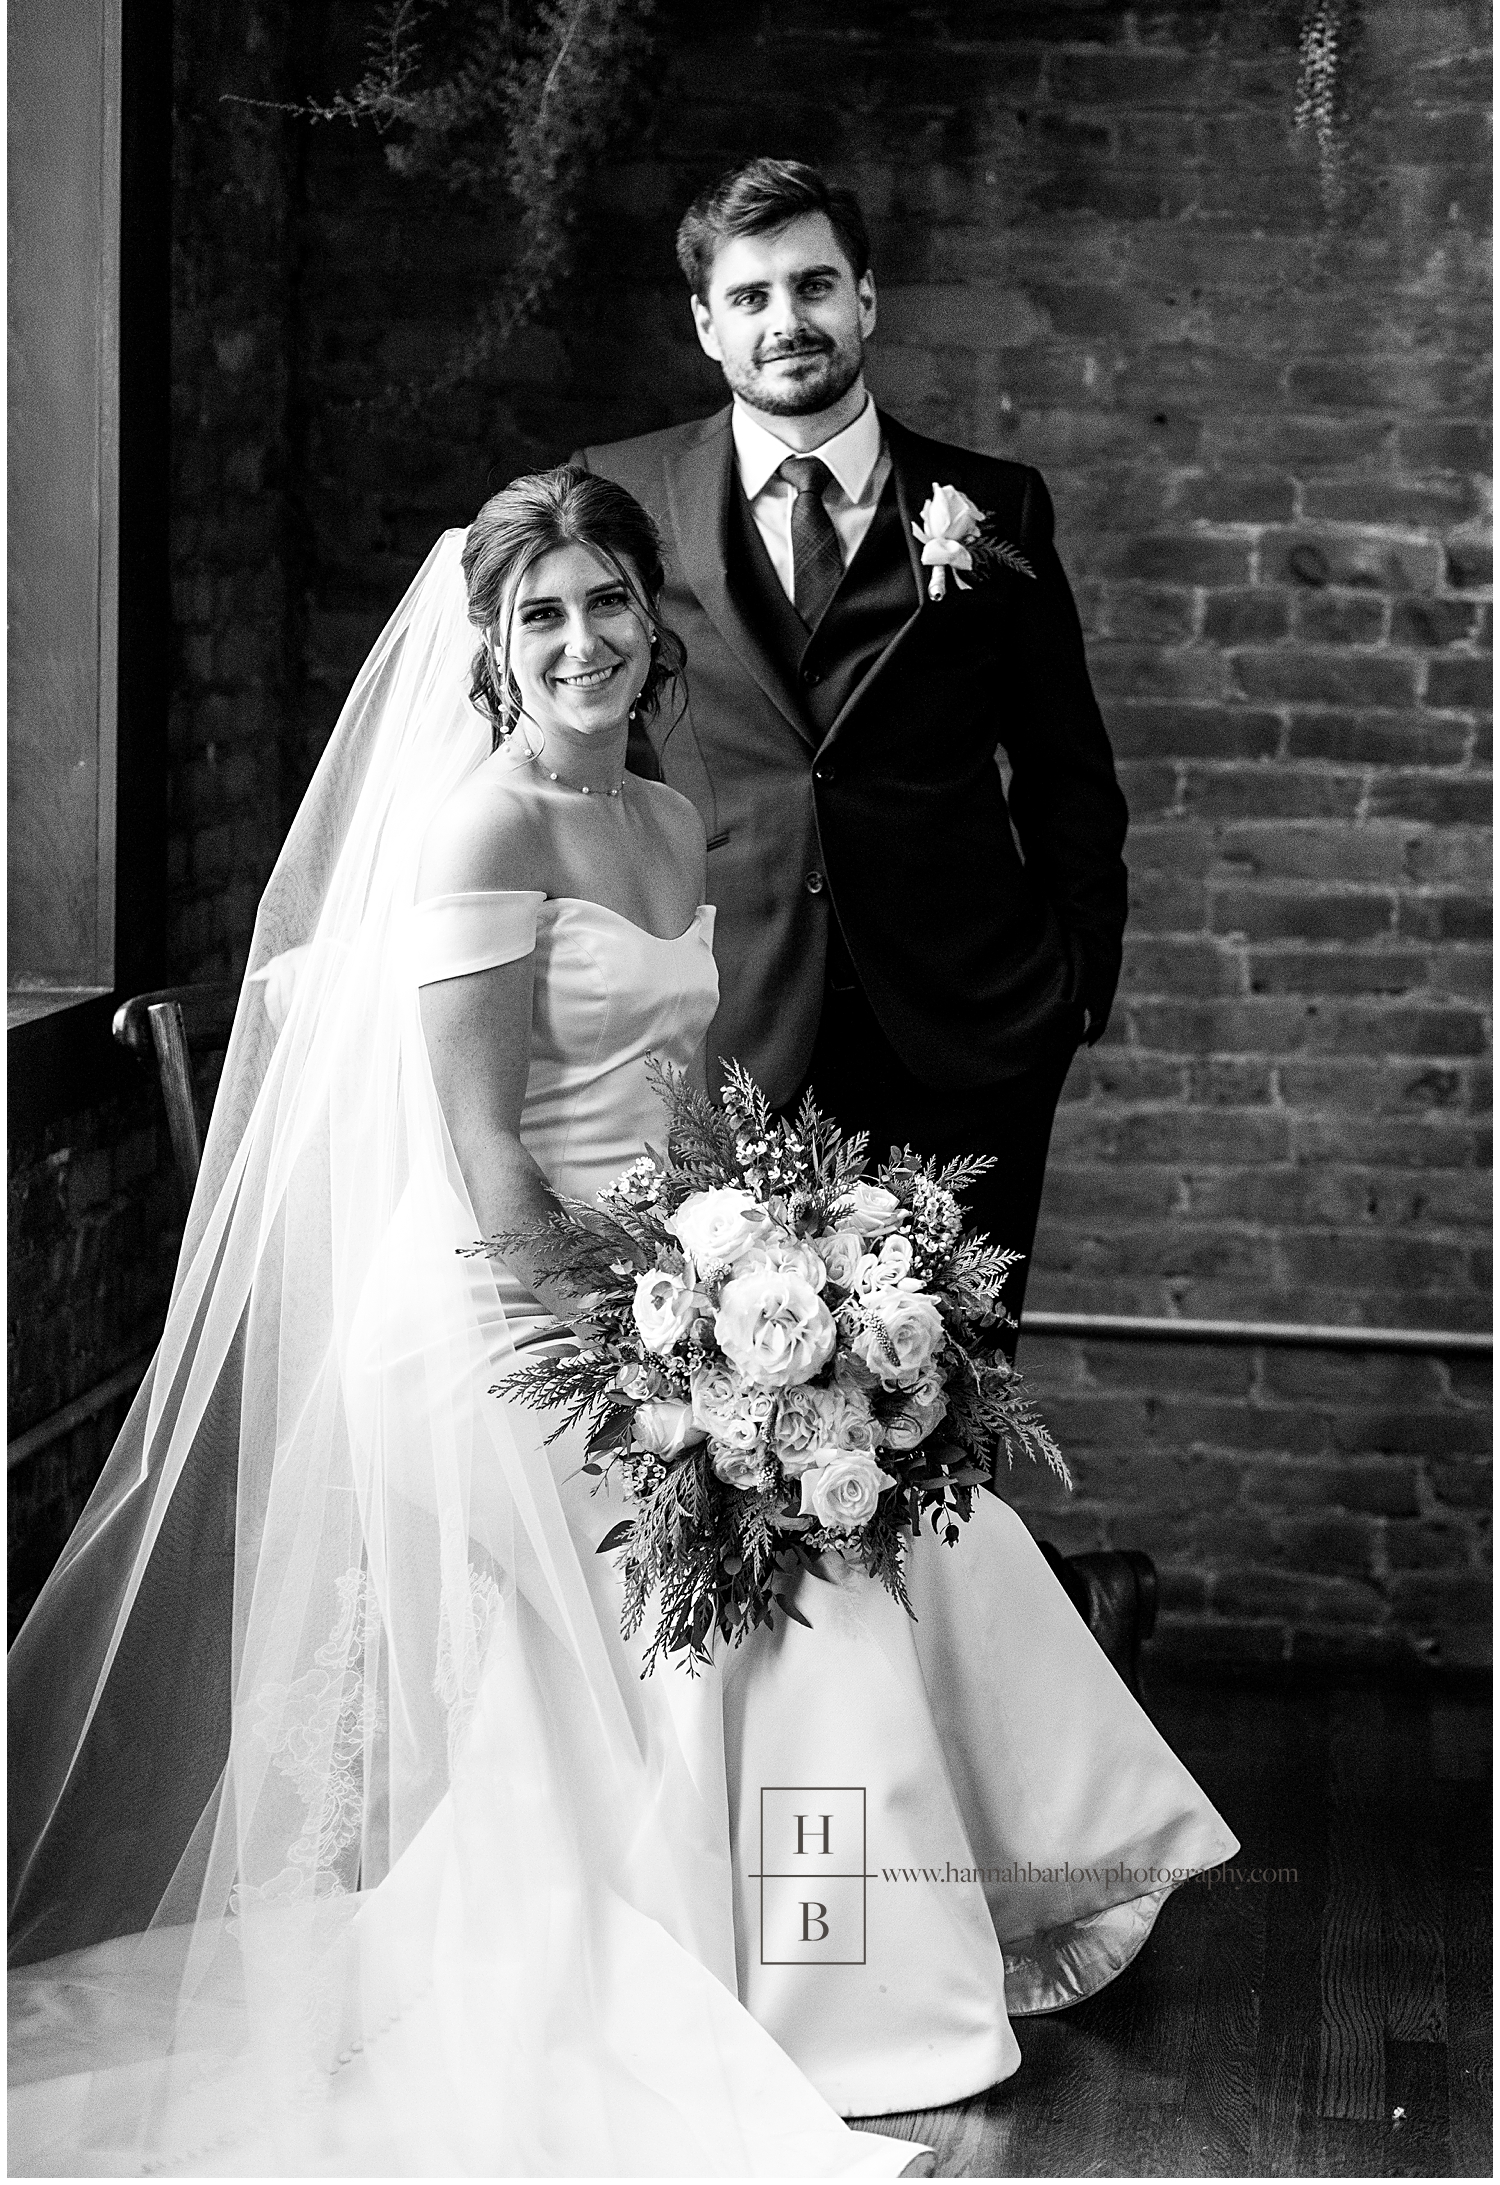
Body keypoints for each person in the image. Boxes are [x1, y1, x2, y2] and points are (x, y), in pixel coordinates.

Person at [8, 470, 1235, 2178]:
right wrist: (663, 1364)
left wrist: (781, 1263)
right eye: (541, 616)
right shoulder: (484, 829)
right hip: (499, 1327)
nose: (582, 640)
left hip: (669, 1293)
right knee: (807, 1581)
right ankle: (834, 2001)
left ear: (653, 624)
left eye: (606, 604)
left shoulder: (664, 817)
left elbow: (689, 1102)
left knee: (911, 1531)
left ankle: (947, 1915)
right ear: (495, 652)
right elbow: (488, 1155)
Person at [574, 157, 1144, 1668]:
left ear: (868, 298)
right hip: (734, 1027)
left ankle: (955, 1787)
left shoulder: (994, 508)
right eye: (750, 296)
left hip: (966, 1031)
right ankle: (790, 1804)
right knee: (748, 1435)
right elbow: (575, 739)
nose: (788, 320)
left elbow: (1071, 774)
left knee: (933, 1415)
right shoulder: (622, 501)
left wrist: (1071, 990)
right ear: (705, 325)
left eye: (815, 285)